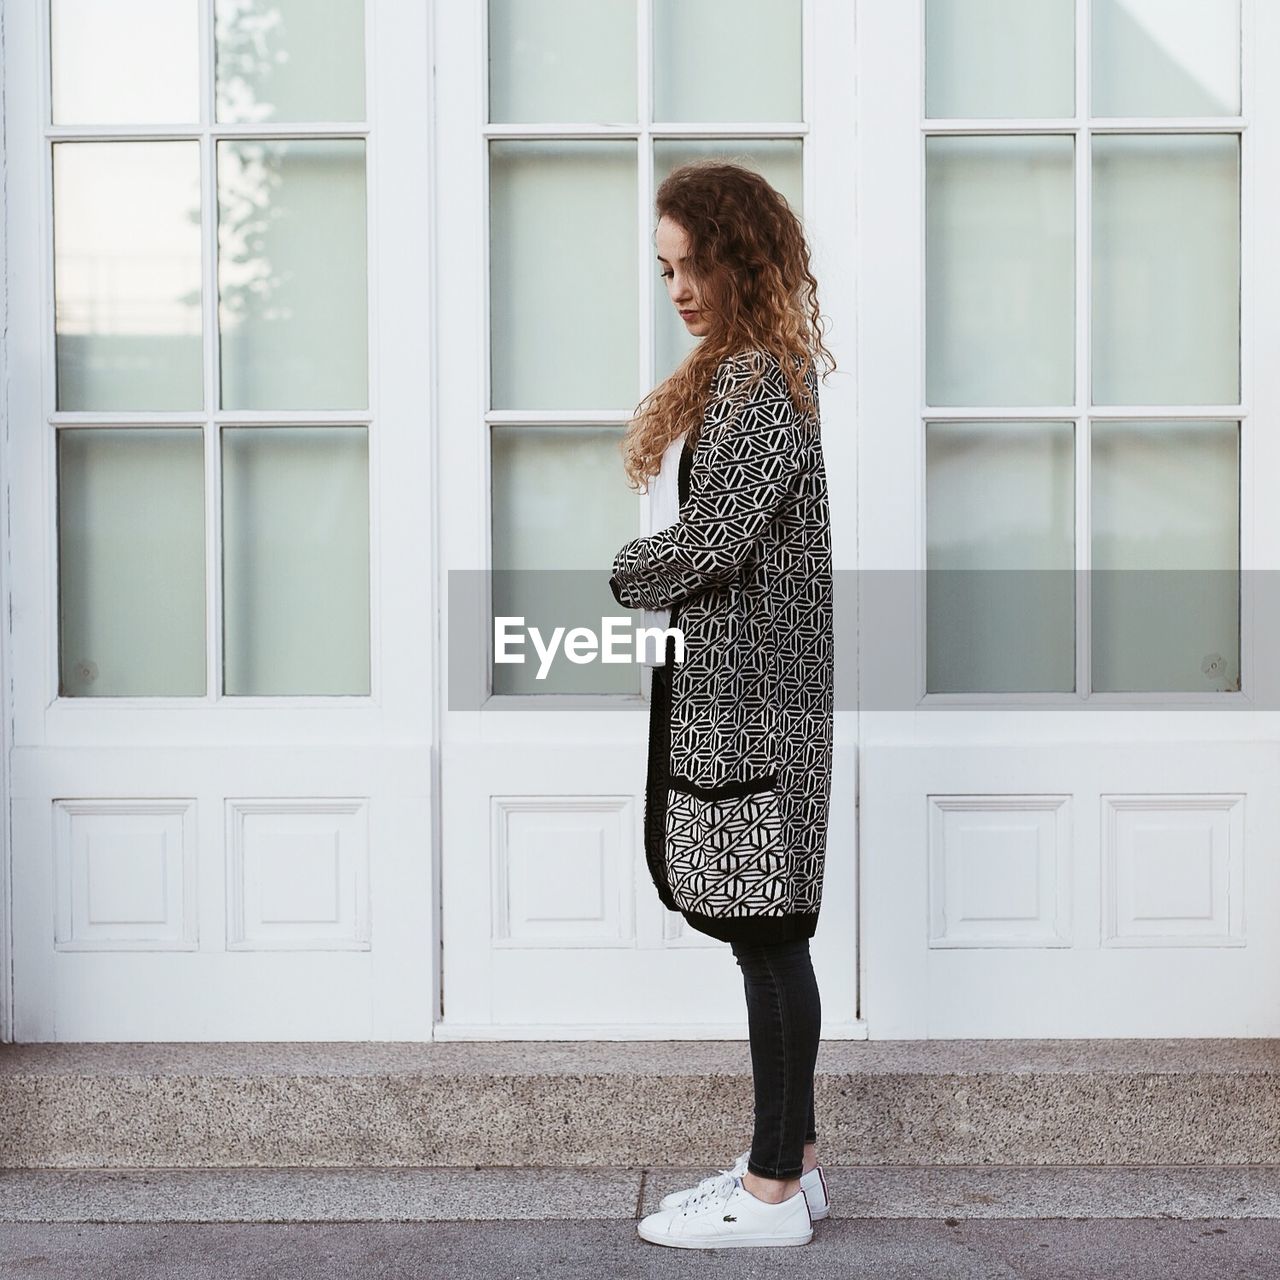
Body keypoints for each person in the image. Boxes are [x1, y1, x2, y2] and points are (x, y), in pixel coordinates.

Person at [608, 159, 836, 1250]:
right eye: (665, 269)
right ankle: (786, 1167)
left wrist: (622, 567)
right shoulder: (755, 373)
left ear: (742, 257)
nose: (680, 287)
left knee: (766, 933)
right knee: (766, 935)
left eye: (695, 263)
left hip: (753, 706)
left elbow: (711, 543)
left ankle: (769, 1195)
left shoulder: (758, 386)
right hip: (748, 699)